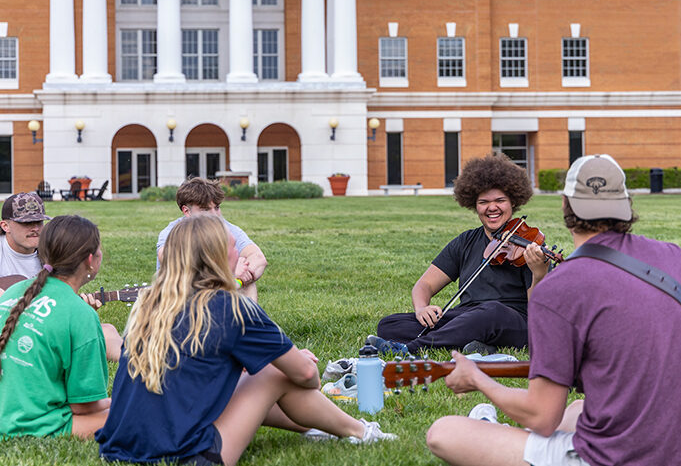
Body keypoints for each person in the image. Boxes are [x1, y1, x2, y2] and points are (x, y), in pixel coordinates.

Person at [426, 154, 681, 466]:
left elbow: (541, 416)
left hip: (608, 459)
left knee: (444, 433)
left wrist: (478, 379)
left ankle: (490, 424)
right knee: (577, 409)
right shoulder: (674, 256)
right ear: (626, 205)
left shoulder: (556, 289)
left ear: (565, 206)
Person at [97, 215, 395, 465]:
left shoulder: (151, 303)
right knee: (274, 373)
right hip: (183, 455)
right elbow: (307, 376)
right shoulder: (230, 307)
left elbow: (198, 371)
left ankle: (321, 428)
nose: (239, 252)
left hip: (120, 448)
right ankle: (359, 431)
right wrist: (295, 361)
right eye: (232, 246)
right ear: (216, 257)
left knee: (257, 373)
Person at [372, 154, 550, 355]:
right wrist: (422, 308)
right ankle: (475, 343)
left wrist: (539, 274)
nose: (492, 207)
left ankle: (411, 349)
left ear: (513, 203)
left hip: (513, 321)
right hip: (468, 316)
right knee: (390, 324)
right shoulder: (465, 241)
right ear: (474, 205)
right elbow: (425, 284)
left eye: (500, 200)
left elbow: (538, 312)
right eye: (484, 202)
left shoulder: (529, 244)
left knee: (490, 312)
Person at [0, 215, 121, 438]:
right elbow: (83, 406)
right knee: (130, 413)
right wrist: (119, 401)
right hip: (28, 424)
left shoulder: (15, 291)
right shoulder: (81, 313)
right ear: (91, 260)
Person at [157, 177, 267, 300]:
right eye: (206, 209)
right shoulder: (173, 232)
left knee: (247, 284)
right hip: (179, 296)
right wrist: (229, 273)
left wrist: (238, 280)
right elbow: (169, 260)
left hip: (216, 292)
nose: (215, 215)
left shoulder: (227, 228)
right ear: (186, 211)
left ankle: (246, 318)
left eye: (217, 207)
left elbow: (258, 258)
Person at [0, 192, 50, 279]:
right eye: (27, 223)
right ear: (5, 226)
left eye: (39, 222)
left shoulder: (52, 252)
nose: (35, 228)